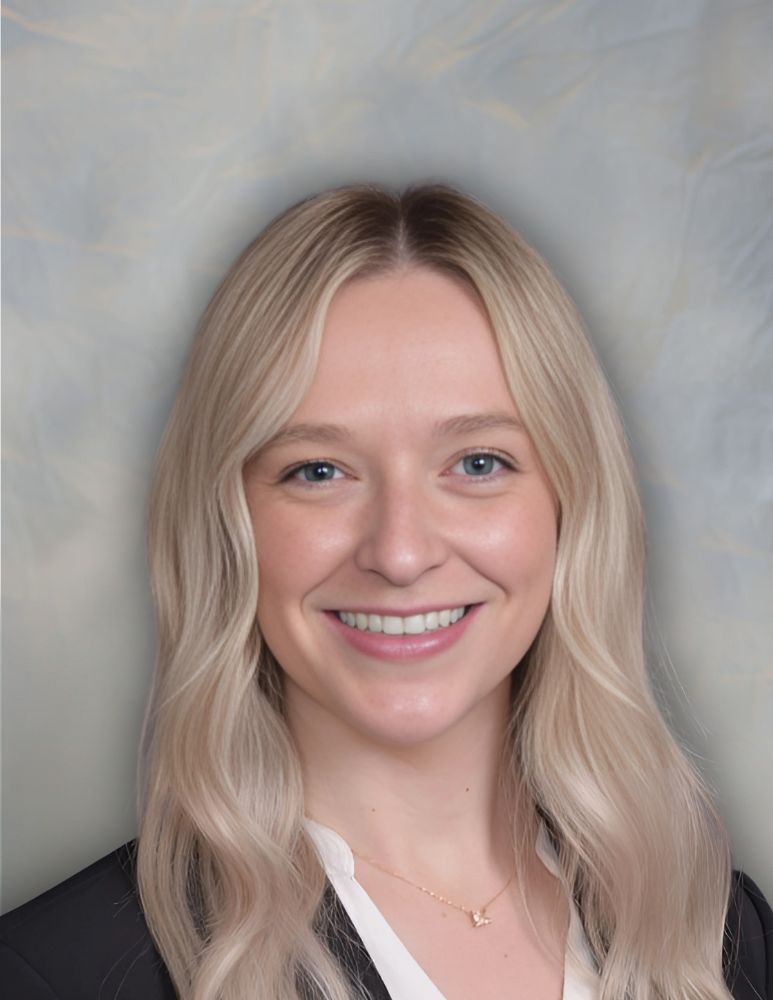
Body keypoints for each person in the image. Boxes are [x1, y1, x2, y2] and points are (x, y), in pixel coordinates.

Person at [1, 183, 770, 1000]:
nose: (400, 552)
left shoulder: (717, 935)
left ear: (569, 507)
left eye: (477, 463)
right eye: (318, 471)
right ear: (226, 522)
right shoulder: (57, 974)